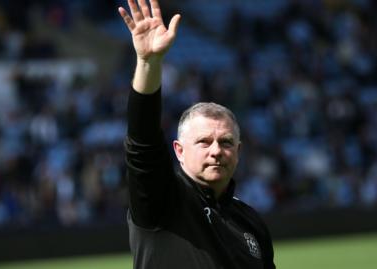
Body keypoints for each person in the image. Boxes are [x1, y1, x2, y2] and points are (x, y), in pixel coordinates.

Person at [118, 0, 276, 268]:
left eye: (226, 142)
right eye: (203, 141)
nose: (216, 151)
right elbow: (142, 139)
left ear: (238, 152)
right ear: (179, 150)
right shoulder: (161, 198)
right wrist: (148, 63)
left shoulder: (251, 222)